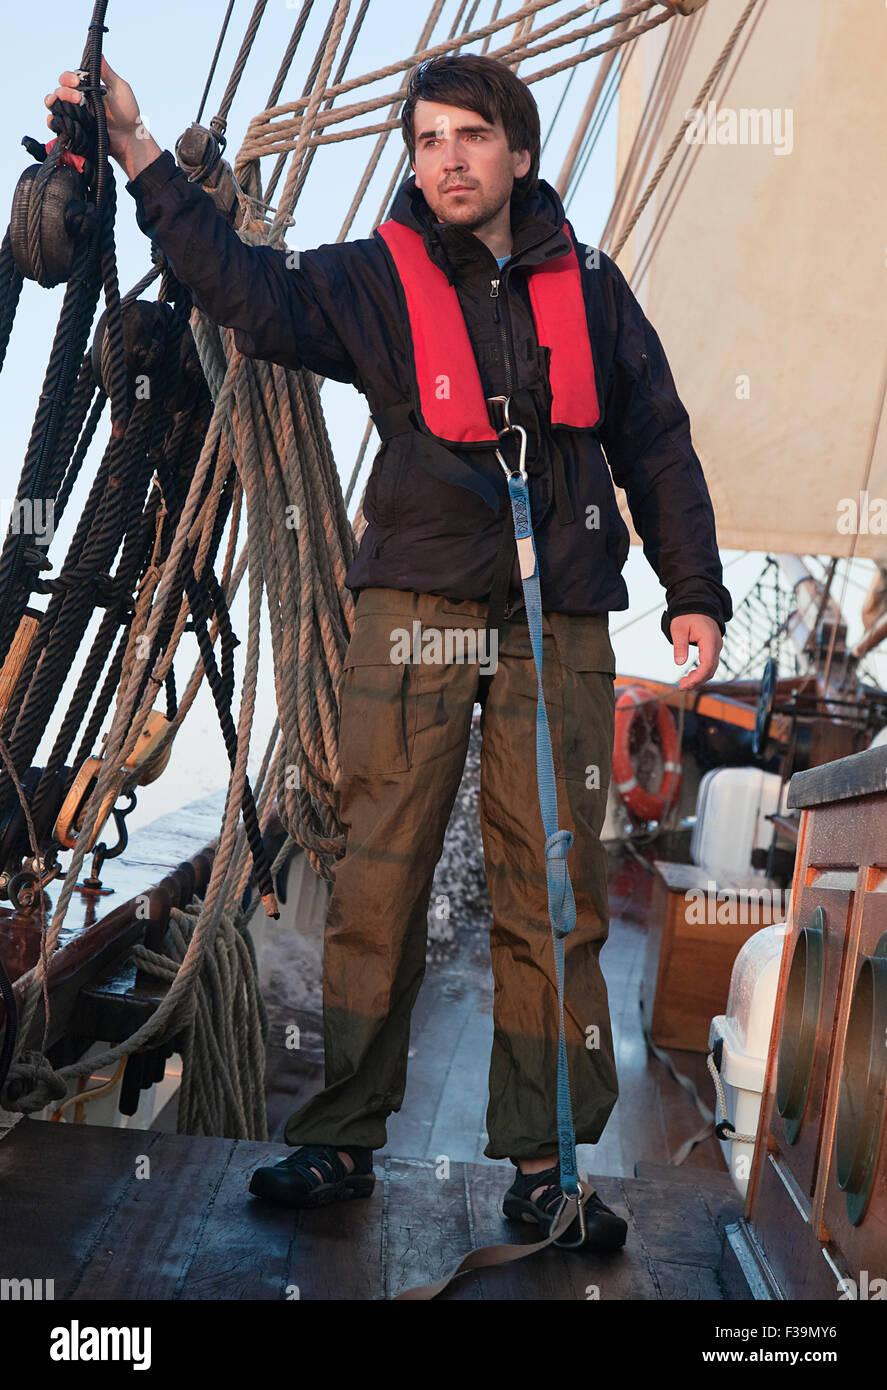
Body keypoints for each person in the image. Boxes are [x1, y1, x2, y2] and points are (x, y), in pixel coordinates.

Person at [46, 51, 732, 1251]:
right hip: (411, 603)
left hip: (555, 613)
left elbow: (657, 441)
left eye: (470, 136)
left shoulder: (597, 289)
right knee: (379, 875)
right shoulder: (370, 280)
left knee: (551, 893)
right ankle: (341, 1136)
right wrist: (140, 152)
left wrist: (694, 590)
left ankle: (544, 1162)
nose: (446, 159)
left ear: (518, 152)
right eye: (425, 140)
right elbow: (247, 294)